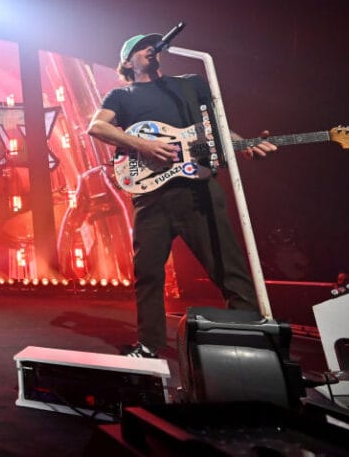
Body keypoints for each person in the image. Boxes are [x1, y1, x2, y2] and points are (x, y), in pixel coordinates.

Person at [86, 33, 276, 358]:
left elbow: (214, 126)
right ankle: (149, 345)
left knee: (228, 267)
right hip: (150, 196)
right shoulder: (121, 94)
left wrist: (242, 144)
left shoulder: (188, 85)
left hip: (196, 191)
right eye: (142, 45)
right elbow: (97, 127)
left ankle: (250, 343)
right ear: (128, 60)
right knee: (147, 272)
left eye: (154, 43)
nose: (151, 47)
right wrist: (145, 145)